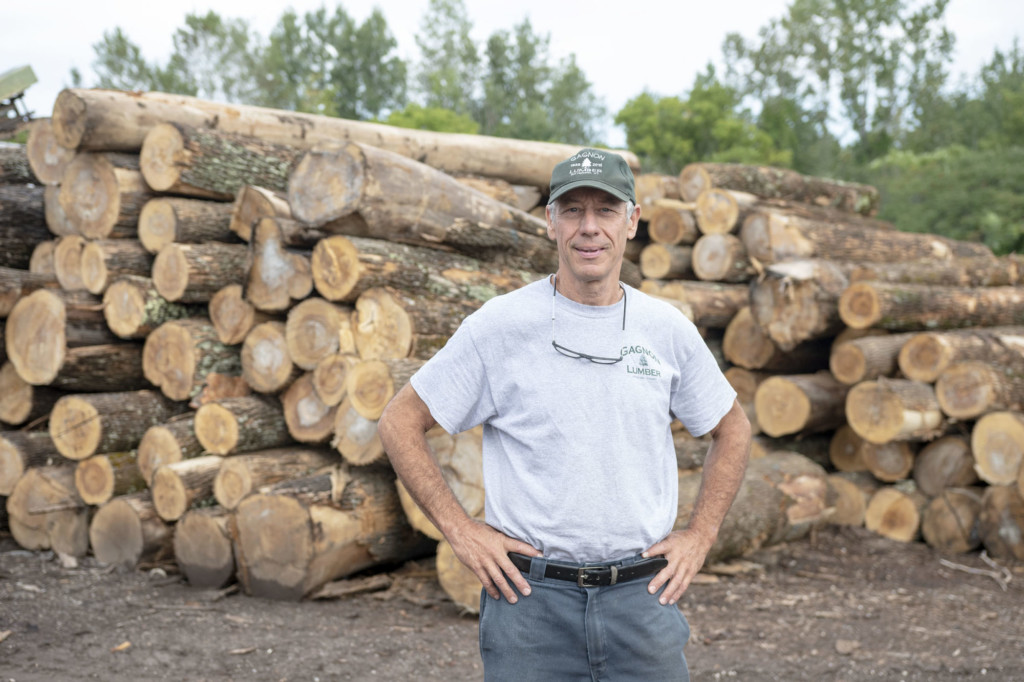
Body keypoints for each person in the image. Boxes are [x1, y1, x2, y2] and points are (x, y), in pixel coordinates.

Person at [378, 147, 751, 681]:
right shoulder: (500, 327)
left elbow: (732, 428)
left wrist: (701, 536)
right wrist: (460, 530)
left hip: (642, 602)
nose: (589, 228)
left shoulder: (664, 330)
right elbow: (399, 421)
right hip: (530, 604)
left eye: (606, 210)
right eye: (573, 210)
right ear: (550, 223)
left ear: (633, 222)